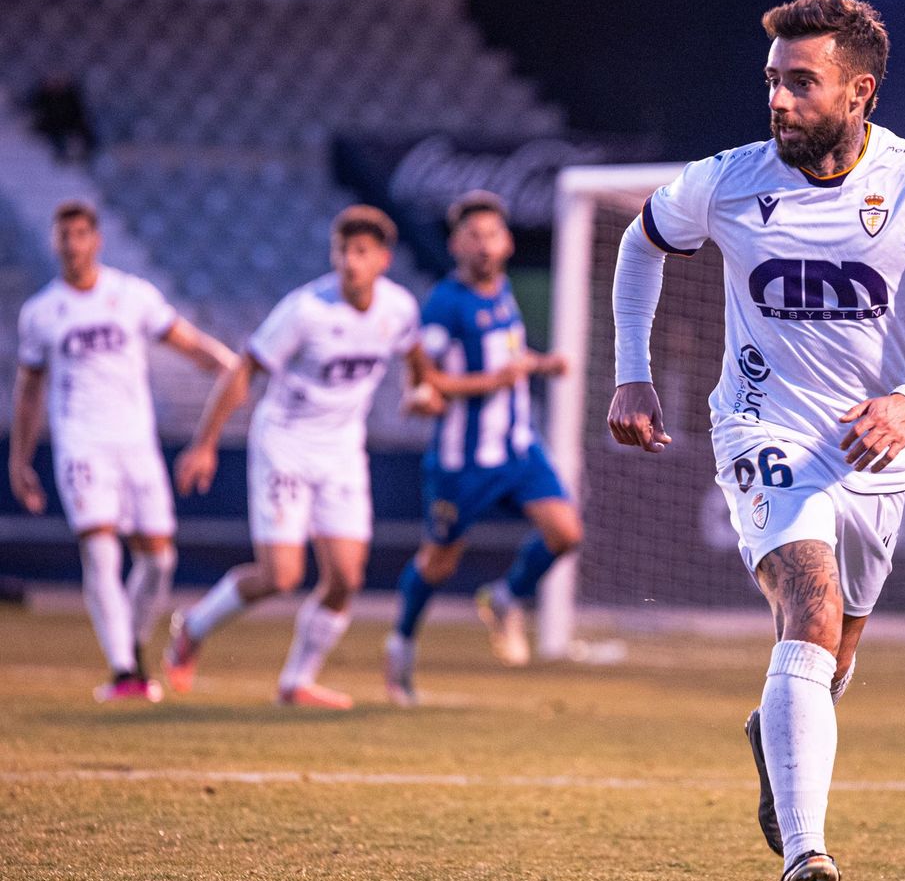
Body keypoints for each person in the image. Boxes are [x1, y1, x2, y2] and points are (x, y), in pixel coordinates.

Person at [606, 0, 905, 881]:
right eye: (772, 82)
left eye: (802, 82)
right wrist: (633, 374)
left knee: (831, 659)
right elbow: (641, 244)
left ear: (859, 91)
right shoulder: (731, 180)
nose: (779, 101)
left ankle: (772, 736)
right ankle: (806, 855)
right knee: (812, 609)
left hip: (873, 450)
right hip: (760, 428)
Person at [165, 206, 425, 709]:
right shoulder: (305, 310)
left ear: (383, 260)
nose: (349, 262)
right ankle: (192, 627)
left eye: (361, 252)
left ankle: (296, 682)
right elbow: (243, 372)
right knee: (282, 576)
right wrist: (204, 443)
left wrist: (421, 392)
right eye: (342, 250)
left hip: (342, 449)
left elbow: (416, 360)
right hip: (284, 442)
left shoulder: (399, 309)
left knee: (347, 577)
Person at [9, 199, 235, 702]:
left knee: (159, 560)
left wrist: (229, 365)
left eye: (81, 235)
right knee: (100, 549)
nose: (72, 245)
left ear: (96, 240)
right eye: (64, 236)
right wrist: (20, 459)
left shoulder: (131, 296)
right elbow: (29, 390)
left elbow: (187, 340)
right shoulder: (42, 313)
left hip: (136, 443)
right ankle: (124, 672)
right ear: (55, 242)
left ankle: (130, 644)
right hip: (81, 445)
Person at [383, 190, 580, 705]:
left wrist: (539, 364)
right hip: (461, 462)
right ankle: (400, 643)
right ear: (455, 246)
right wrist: (492, 381)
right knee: (439, 561)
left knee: (565, 532)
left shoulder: (502, 291)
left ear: (507, 242)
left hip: (517, 449)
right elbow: (430, 379)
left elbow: (507, 358)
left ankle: (506, 595)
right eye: (472, 237)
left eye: (491, 234)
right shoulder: (446, 304)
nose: (484, 245)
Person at [28, 73, 97, 164]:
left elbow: (79, 113)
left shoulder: (72, 95)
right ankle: (61, 156)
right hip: (52, 126)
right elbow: (37, 113)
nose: (57, 83)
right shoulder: (43, 96)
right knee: (56, 137)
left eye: (59, 80)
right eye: (53, 81)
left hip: (70, 124)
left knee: (87, 134)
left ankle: (87, 155)